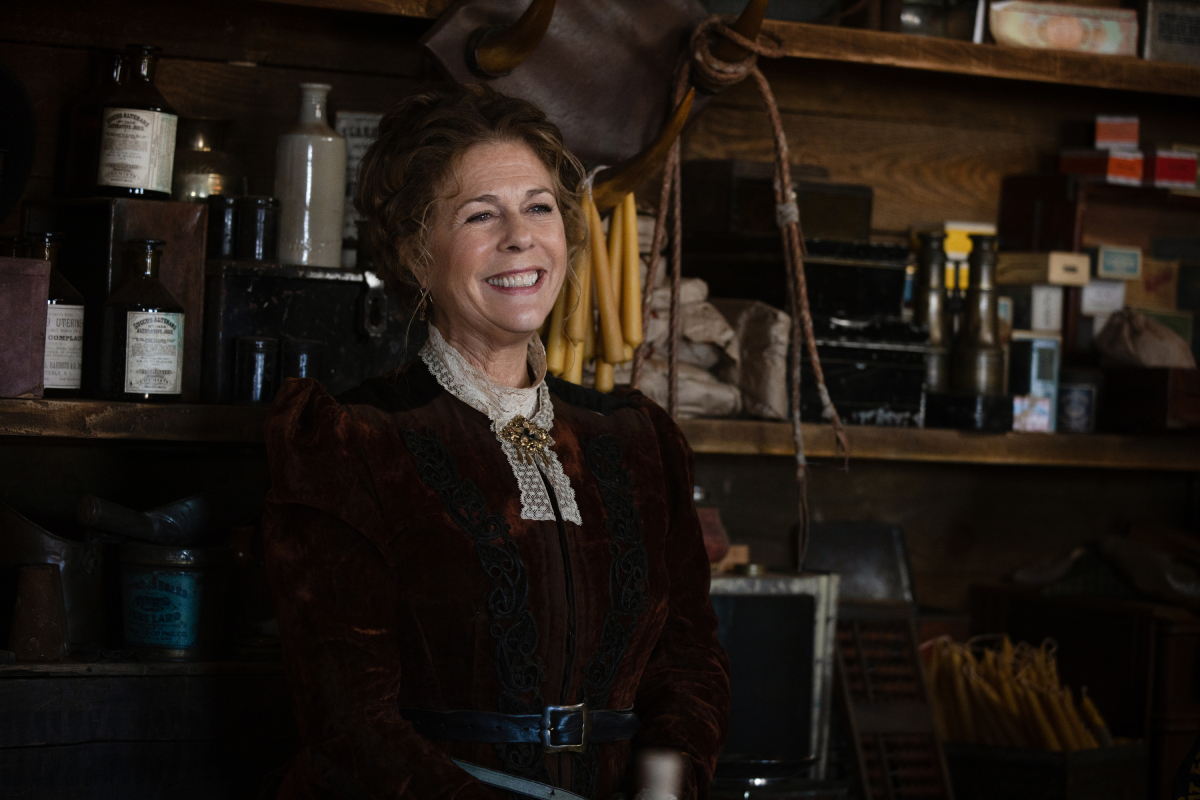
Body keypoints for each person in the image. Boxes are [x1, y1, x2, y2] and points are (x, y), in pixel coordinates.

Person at [262, 82, 729, 800]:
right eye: (482, 214)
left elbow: (688, 670)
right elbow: (348, 723)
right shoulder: (353, 441)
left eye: (539, 207)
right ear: (416, 254)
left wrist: (662, 795)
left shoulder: (638, 441)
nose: (521, 236)